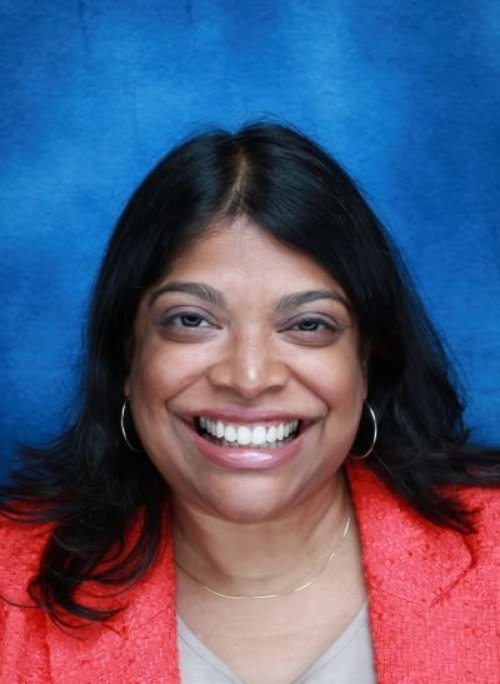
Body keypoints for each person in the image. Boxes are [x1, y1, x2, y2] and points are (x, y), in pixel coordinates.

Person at [0, 123, 498, 684]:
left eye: (309, 325)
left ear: (367, 361)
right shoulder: (9, 588)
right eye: (192, 320)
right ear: (126, 356)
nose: (249, 377)